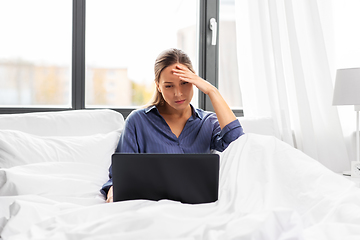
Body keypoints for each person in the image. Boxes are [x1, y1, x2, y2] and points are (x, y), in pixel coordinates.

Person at [101, 48, 244, 203]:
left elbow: (238, 143)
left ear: (194, 81)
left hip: (198, 207)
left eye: (184, 83)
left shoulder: (208, 122)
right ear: (158, 86)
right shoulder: (138, 121)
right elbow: (122, 173)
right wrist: (113, 193)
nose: (178, 93)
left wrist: (211, 91)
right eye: (169, 86)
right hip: (152, 206)